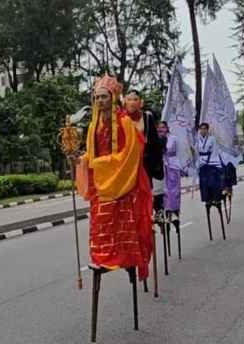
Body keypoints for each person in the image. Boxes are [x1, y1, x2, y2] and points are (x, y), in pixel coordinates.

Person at [74, 75, 153, 281]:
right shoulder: (93, 127)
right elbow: (91, 156)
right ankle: (101, 258)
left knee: (123, 227)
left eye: (103, 97)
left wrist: (101, 165)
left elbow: (130, 154)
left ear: (113, 98)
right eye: (96, 97)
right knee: (100, 224)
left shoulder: (125, 123)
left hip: (121, 184)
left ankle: (125, 258)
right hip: (101, 187)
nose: (99, 101)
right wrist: (80, 161)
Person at [123, 89, 165, 221]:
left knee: (151, 188)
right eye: (129, 100)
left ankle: (156, 210)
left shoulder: (146, 117)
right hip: (127, 160)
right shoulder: (121, 118)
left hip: (145, 159)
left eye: (135, 100)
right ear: (125, 102)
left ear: (140, 102)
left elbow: (154, 140)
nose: (132, 103)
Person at [157, 121, 186, 222]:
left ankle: (174, 210)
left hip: (173, 165)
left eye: (163, 127)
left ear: (167, 128)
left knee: (174, 190)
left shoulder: (174, 139)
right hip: (161, 165)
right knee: (162, 189)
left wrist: (182, 167)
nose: (161, 129)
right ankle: (163, 209)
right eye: (159, 128)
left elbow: (180, 153)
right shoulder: (155, 139)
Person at [196, 122, 224, 209]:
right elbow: (195, 152)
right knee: (204, 183)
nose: (203, 131)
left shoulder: (212, 139)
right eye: (201, 129)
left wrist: (212, 160)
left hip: (211, 161)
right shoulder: (196, 139)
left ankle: (216, 198)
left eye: (205, 129)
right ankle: (207, 199)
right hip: (201, 162)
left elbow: (215, 150)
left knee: (213, 182)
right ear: (199, 130)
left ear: (207, 130)